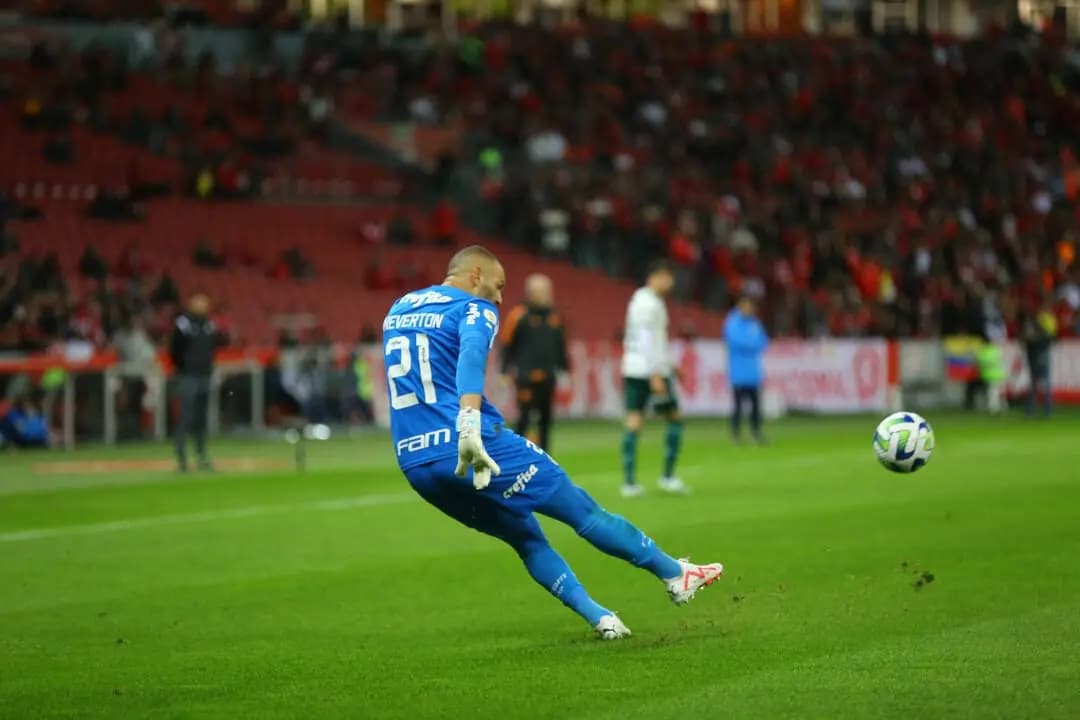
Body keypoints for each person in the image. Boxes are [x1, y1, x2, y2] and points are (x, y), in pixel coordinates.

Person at [383, 246, 723, 639]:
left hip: (415, 463)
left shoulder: (399, 308)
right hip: (469, 442)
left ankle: (601, 619)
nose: (499, 298)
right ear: (475, 275)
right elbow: (472, 358)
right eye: (498, 286)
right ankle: (675, 573)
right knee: (582, 510)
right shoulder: (474, 308)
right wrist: (469, 423)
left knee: (524, 537)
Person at [619, 260, 687, 498]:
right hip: (649, 371)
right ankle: (667, 477)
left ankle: (629, 483)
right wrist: (656, 373)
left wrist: (671, 365)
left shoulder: (642, 301)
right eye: (667, 277)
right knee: (674, 418)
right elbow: (646, 339)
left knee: (635, 420)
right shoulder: (649, 304)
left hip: (635, 368)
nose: (670, 282)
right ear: (655, 277)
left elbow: (651, 340)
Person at [499, 273, 568, 451]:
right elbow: (507, 345)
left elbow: (561, 346)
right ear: (531, 293)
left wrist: (565, 369)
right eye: (544, 291)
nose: (548, 295)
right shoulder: (518, 315)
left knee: (546, 420)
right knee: (524, 418)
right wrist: (505, 371)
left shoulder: (555, 317)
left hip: (548, 376)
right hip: (526, 377)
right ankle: (519, 455)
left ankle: (546, 457)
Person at [169, 293, 225, 471]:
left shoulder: (209, 324)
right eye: (199, 302)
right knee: (186, 417)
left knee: (201, 418)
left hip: (204, 375)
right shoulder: (183, 323)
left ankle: (201, 456)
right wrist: (184, 367)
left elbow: (215, 345)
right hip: (188, 376)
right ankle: (182, 458)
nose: (203, 306)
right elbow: (175, 349)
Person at [723, 297, 770, 443]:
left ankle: (756, 432)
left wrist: (752, 344)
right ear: (740, 307)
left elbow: (763, 342)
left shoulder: (755, 323)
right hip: (738, 372)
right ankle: (736, 434)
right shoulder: (732, 322)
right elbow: (736, 341)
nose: (749, 310)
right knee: (738, 406)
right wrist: (752, 344)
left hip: (753, 372)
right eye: (746, 307)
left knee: (756, 406)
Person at [1022, 300, 1057, 417]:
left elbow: (1049, 337)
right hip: (1035, 355)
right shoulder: (1034, 324)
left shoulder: (1040, 323)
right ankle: (1036, 409)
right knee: (1038, 383)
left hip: (1040, 355)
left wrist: (1033, 339)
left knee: (1040, 383)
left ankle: (1040, 409)